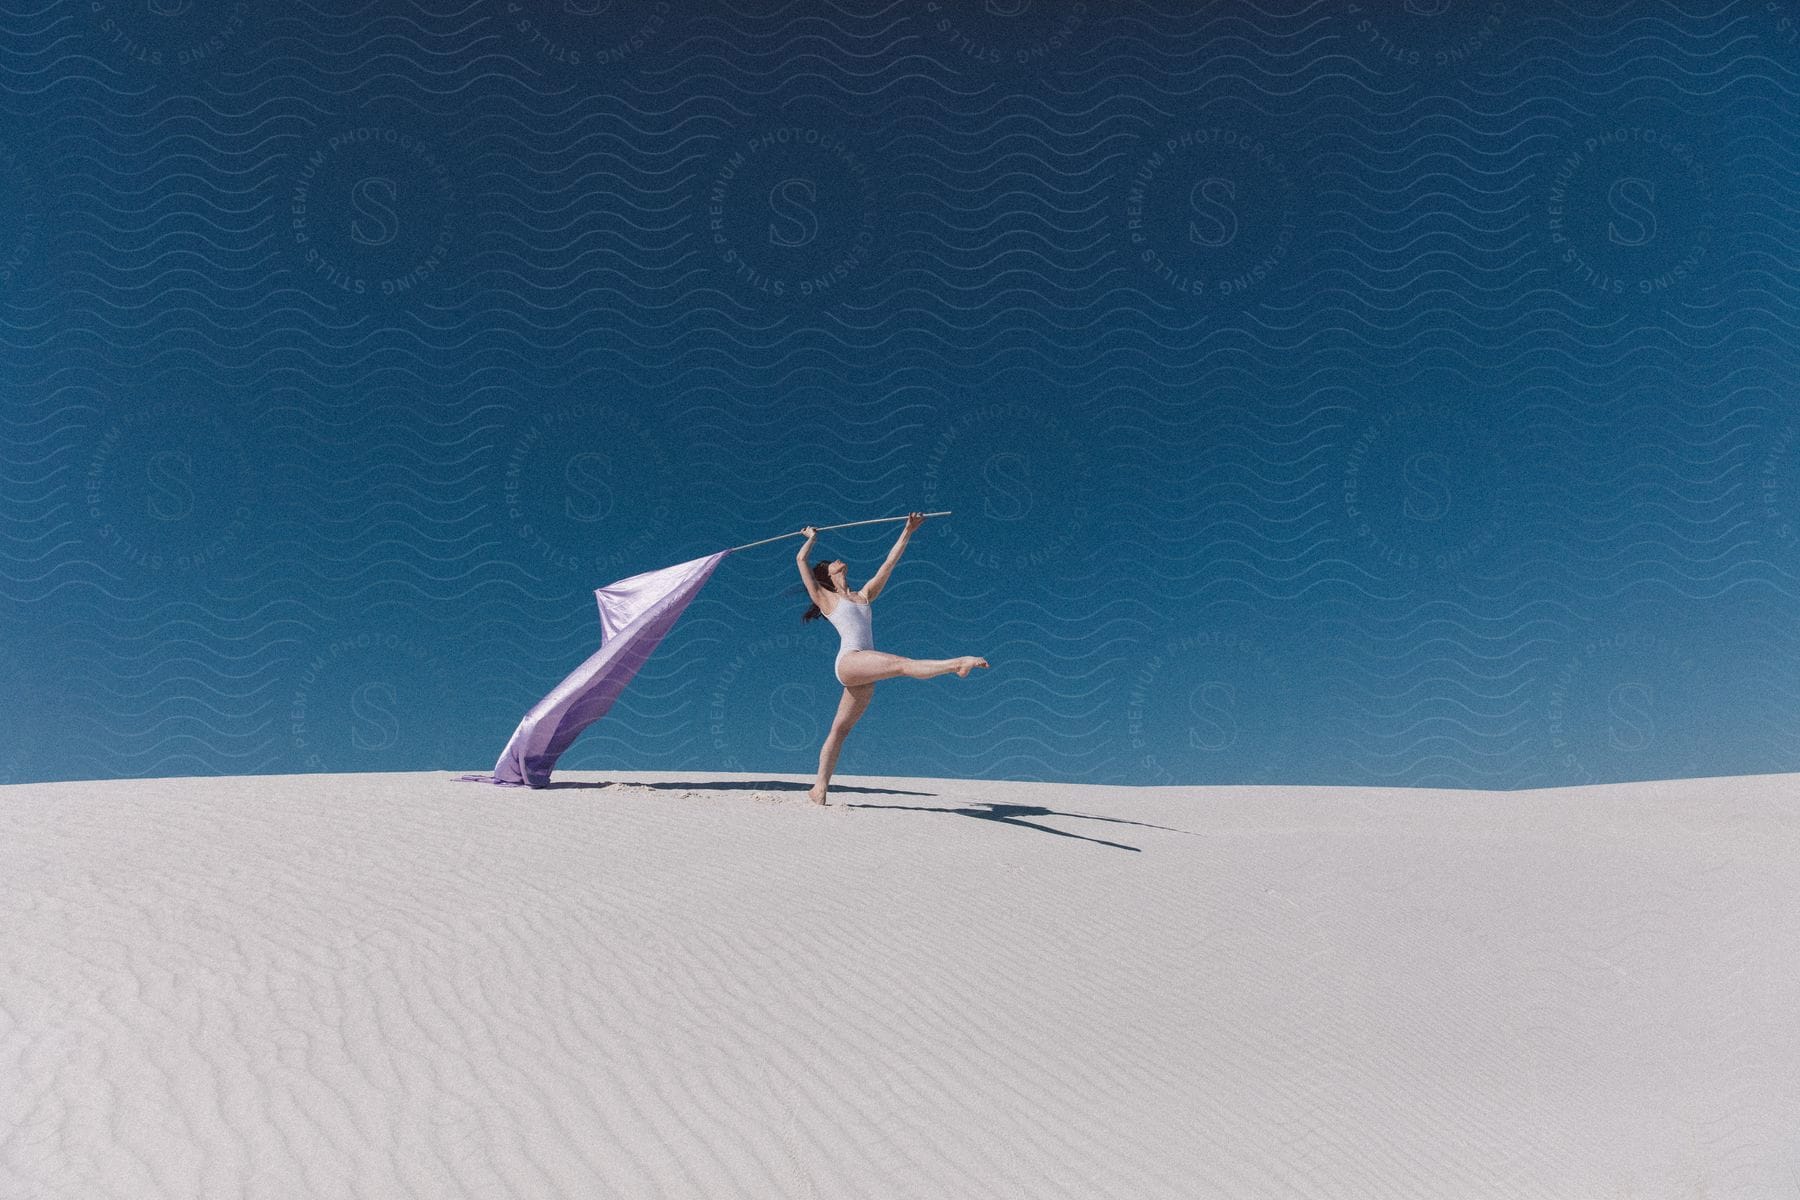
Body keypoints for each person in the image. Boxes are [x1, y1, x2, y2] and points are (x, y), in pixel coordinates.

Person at [797, 512, 988, 804]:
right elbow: (801, 564)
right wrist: (811, 540)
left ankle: (818, 788)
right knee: (902, 664)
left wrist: (908, 530)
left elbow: (889, 563)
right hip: (850, 661)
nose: (839, 560)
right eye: (832, 561)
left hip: (864, 670)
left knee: (840, 730)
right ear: (829, 574)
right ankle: (956, 664)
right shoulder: (826, 599)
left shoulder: (863, 595)